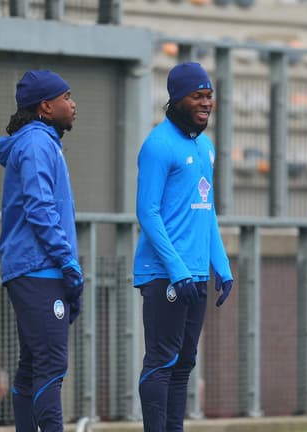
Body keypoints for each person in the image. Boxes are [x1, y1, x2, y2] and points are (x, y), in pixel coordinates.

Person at [133, 62, 234, 432]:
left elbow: (206, 213)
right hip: (165, 275)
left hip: (195, 275)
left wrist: (221, 267)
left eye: (209, 96)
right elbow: (148, 212)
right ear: (177, 99)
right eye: (197, 96)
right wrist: (177, 270)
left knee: (184, 363)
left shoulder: (205, 147)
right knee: (161, 361)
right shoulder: (158, 145)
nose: (206, 102)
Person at [0, 69, 84, 432]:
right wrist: (67, 261)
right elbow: (39, 207)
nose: (73, 104)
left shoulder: (42, 141)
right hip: (39, 269)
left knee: (33, 366)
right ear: (46, 107)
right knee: (51, 366)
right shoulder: (36, 144)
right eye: (66, 97)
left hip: (37, 268)